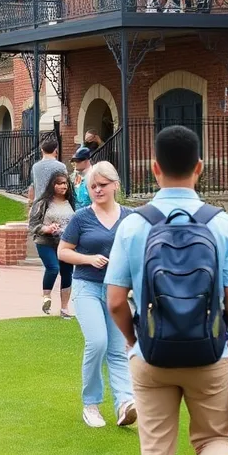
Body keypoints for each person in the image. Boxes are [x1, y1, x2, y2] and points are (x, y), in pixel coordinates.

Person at [106, 126, 228, 455]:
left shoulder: (134, 225)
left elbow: (116, 300)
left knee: (156, 450)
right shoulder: (221, 225)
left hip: (151, 354)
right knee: (216, 438)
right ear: (199, 167)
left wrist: (136, 339)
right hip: (209, 353)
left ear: (155, 168)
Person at [57, 160, 134, 428]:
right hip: (87, 286)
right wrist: (89, 259)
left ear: (115, 185)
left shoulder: (130, 217)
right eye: (92, 186)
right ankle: (90, 404)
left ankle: (125, 403)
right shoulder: (81, 218)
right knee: (98, 342)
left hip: (118, 290)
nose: (97, 190)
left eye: (102, 185)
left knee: (117, 348)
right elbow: (63, 251)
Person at [30, 171, 77, 318]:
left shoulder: (71, 202)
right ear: (52, 185)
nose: (63, 186)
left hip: (66, 243)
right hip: (46, 242)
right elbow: (32, 225)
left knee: (67, 272)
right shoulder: (43, 203)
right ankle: (46, 298)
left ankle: (64, 308)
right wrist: (47, 229)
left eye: (65, 183)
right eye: (60, 183)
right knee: (53, 267)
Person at [27, 137, 68, 204]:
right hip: (55, 204)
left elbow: (32, 186)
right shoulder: (61, 166)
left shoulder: (35, 167)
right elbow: (65, 185)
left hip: (39, 203)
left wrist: (30, 202)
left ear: (42, 150)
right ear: (56, 150)